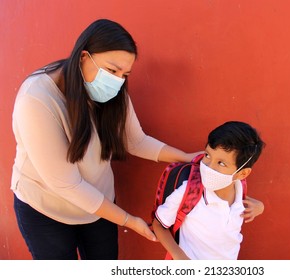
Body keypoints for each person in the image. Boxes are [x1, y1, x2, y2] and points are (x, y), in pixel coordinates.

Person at [10, 18, 203, 260]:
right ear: (83, 57)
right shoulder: (37, 99)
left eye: (125, 74)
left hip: (99, 206)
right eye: (111, 70)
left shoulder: (113, 90)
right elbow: (67, 184)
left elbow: (135, 141)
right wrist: (129, 220)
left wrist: (184, 157)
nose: (117, 80)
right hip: (47, 209)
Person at [153, 121, 265, 260]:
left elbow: (237, 201)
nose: (209, 167)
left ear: (241, 174)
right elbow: (158, 225)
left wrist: (260, 207)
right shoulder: (189, 192)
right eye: (207, 155)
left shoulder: (240, 185)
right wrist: (179, 257)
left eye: (221, 163)